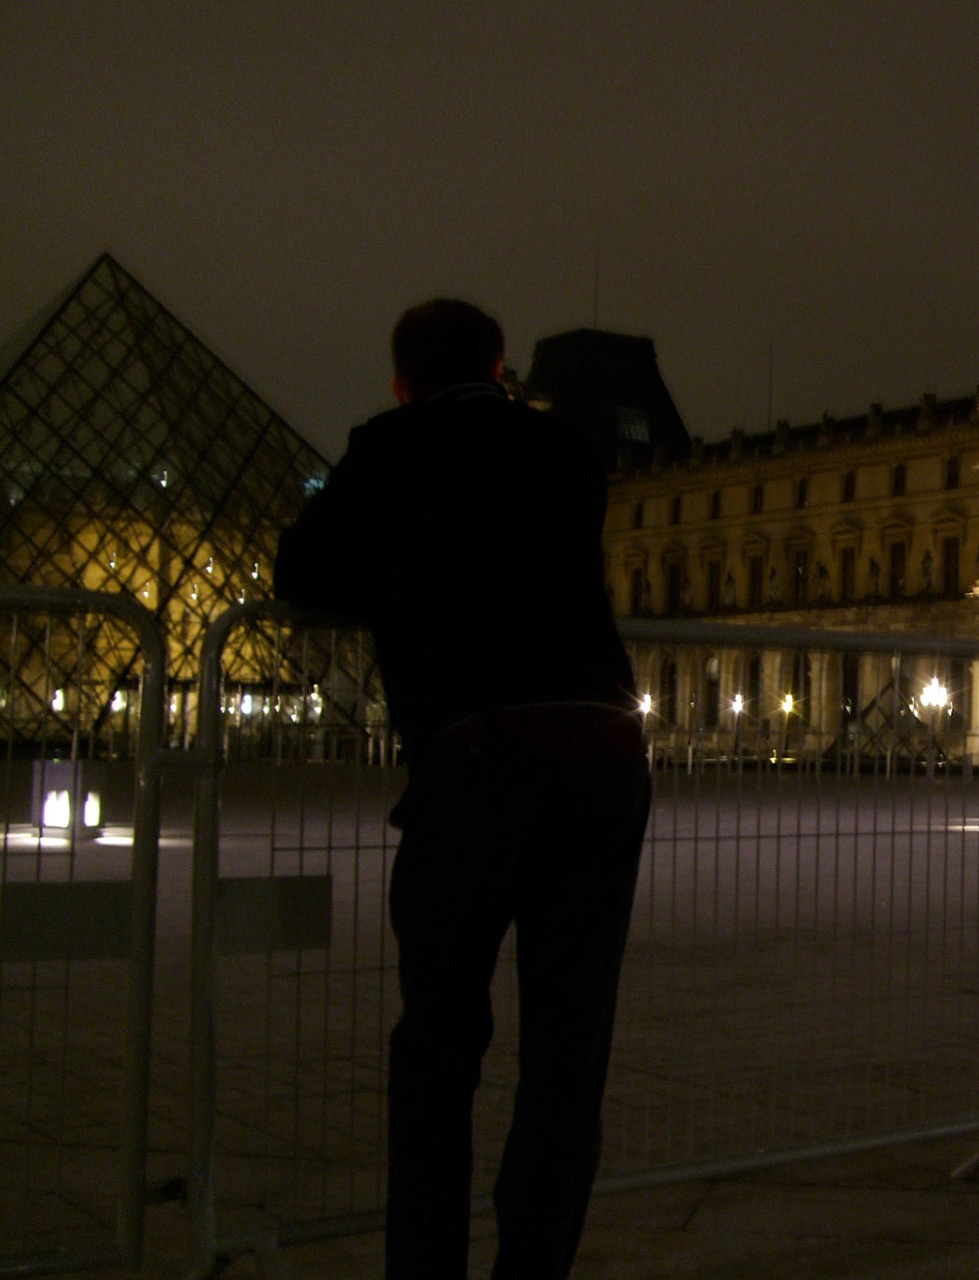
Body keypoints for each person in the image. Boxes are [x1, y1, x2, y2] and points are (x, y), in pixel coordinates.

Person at [274, 298, 651, 1279]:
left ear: (402, 380)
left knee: (439, 1046)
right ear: (501, 367)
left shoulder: (391, 446)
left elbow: (300, 569)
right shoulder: (570, 455)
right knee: (568, 1060)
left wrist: (401, 580)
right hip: (606, 756)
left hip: (480, 756)